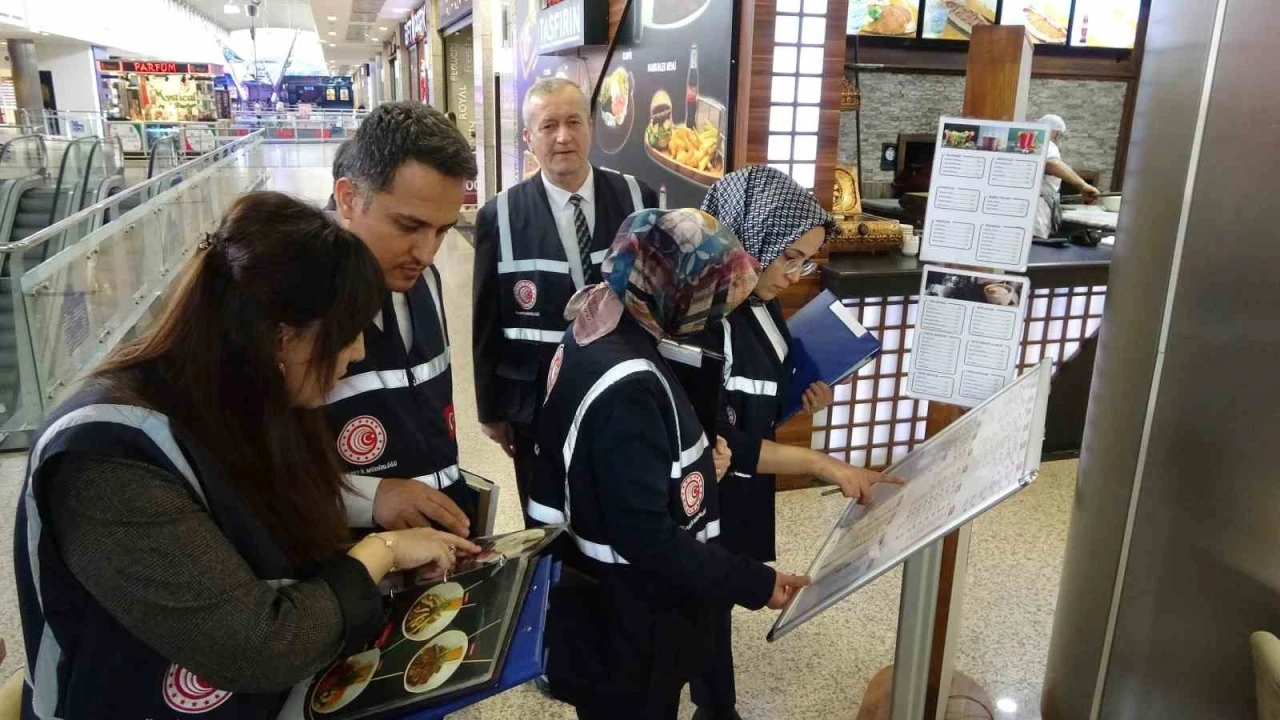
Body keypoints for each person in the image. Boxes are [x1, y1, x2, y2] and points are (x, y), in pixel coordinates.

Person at [13, 192, 478, 719]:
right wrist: (383, 552)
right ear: (281, 338)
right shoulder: (104, 457)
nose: (358, 354)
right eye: (345, 337)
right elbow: (260, 647)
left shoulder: (248, 400)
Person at [530, 207, 811, 720]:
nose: (714, 314)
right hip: (626, 622)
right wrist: (757, 582)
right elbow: (646, 536)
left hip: (597, 600)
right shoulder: (629, 381)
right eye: (711, 296)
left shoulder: (597, 321)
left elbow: (615, 471)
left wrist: (701, 466)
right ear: (673, 286)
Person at [694, 166, 898, 720]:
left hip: (747, 479)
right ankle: (716, 707)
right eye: (787, 258)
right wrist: (821, 463)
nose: (795, 274)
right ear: (747, 238)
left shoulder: (762, 302)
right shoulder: (706, 319)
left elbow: (754, 397)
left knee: (717, 589)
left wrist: (795, 398)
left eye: (805, 261)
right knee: (705, 591)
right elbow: (719, 433)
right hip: (714, 483)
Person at [473, 77, 658, 522]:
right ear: (529, 138)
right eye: (548, 125)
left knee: (623, 508)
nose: (563, 137)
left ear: (590, 127)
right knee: (547, 515)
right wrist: (491, 411)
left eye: (574, 121)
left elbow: (661, 298)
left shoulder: (639, 198)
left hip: (625, 392)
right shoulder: (499, 215)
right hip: (537, 402)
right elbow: (485, 320)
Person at [327, 102, 479, 537]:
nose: (427, 253)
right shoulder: (287, 298)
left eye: (443, 230)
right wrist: (367, 498)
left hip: (435, 548)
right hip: (347, 566)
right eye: (409, 226)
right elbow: (248, 476)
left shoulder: (424, 279)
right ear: (349, 198)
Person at [1035, 114, 1100, 239]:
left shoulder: (1032, 144)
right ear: (1057, 135)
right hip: (1037, 211)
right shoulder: (1047, 144)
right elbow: (1052, 164)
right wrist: (1083, 185)